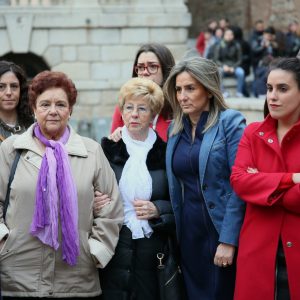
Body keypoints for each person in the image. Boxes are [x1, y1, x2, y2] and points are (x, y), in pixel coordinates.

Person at [0, 70, 123, 299]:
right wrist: (4, 243)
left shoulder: (91, 151)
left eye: (60, 104)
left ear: (70, 110)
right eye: (45, 104)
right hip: (19, 278)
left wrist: (95, 250)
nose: (53, 111)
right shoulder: (11, 150)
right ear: (34, 109)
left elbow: (112, 208)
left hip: (77, 278)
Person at [163, 56, 246, 299]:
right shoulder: (174, 128)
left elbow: (239, 186)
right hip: (187, 234)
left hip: (219, 231)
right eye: (178, 89)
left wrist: (229, 240)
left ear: (208, 90)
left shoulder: (229, 122)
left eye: (190, 88)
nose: (182, 96)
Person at [98, 77, 175, 300]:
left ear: (153, 114)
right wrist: (94, 201)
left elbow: (179, 202)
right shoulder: (107, 149)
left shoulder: (166, 153)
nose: (134, 114)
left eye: (142, 108)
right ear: (121, 112)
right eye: (129, 107)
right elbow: (89, 190)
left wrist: (158, 209)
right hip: (113, 243)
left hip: (153, 248)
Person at [230, 57, 300, 299]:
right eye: (269, 88)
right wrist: (292, 179)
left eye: (283, 89)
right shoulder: (253, 133)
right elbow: (239, 181)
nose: (272, 96)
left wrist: (263, 183)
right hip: (257, 254)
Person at [110, 43, 175, 142]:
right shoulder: (124, 106)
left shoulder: (178, 108)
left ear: (165, 71)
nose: (145, 72)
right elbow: (112, 148)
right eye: (140, 67)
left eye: (152, 66)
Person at [0, 60, 33, 143]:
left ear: (21, 90)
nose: (8, 92)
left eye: (14, 86)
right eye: (1, 87)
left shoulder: (35, 126)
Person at [213, 28, 246, 98]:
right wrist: (223, 66)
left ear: (233, 36)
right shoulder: (219, 45)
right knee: (218, 72)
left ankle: (239, 92)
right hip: (223, 67)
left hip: (234, 67)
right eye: (227, 34)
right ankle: (223, 92)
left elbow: (240, 59)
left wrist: (233, 67)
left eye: (231, 34)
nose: (229, 36)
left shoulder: (237, 45)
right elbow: (216, 59)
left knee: (241, 72)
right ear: (224, 35)